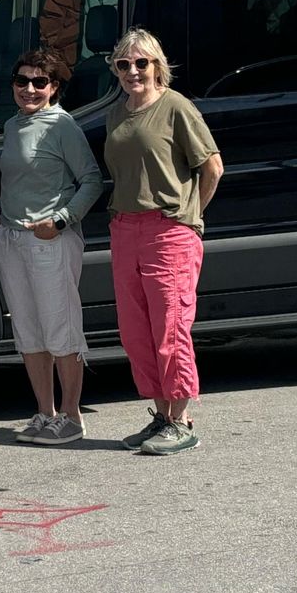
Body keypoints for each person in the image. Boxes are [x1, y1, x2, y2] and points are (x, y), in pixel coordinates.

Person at [103, 28, 223, 456]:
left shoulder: (175, 107)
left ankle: (182, 419)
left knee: (170, 328)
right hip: (126, 228)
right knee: (137, 331)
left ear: (157, 66)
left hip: (168, 230)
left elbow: (212, 167)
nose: (133, 71)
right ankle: (160, 415)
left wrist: (191, 216)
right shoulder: (117, 114)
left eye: (142, 63)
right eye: (124, 64)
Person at [0, 49, 102, 446]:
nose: (30, 89)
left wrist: (61, 221)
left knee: (61, 329)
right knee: (28, 330)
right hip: (13, 238)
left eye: (40, 82)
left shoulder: (62, 125)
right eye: (22, 81)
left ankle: (71, 417)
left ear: (54, 87)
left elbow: (91, 179)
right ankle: (45, 412)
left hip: (49, 241)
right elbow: (18, 177)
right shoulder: (12, 125)